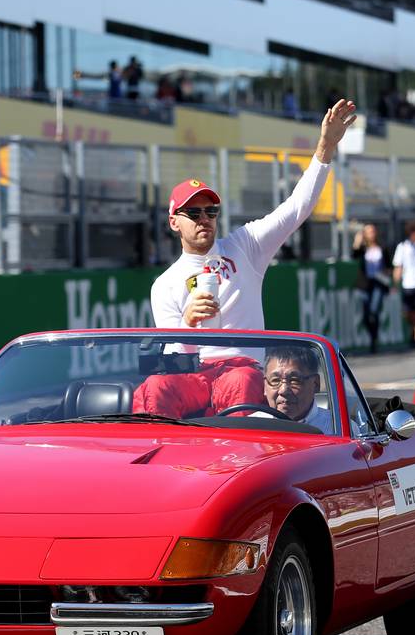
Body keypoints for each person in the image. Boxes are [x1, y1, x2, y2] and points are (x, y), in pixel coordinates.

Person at [133, 98, 358, 418]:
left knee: (242, 379)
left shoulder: (245, 246)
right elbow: (172, 360)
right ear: (174, 222)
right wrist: (188, 323)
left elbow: (296, 208)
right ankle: (153, 464)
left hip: (242, 370)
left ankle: (238, 464)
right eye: (193, 213)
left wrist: (325, 146)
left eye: (210, 211)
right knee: (153, 389)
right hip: (193, 375)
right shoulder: (165, 284)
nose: (204, 219)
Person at [262, 345, 334, 434]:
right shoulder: (250, 427)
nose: (283, 390)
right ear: (265, 386)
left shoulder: (337, 429)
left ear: (315, 384)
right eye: (275, 380)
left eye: (294, 380)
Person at [353, 223, 392, 353]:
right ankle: (372, 336)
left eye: (373, 231)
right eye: (369, 232)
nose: (371, 234)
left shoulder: (382, 247)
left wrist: (387, 275)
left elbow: (389, 266)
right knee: (366, 315)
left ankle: (374, 340)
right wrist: (358, 241)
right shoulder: (363, 248)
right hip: (365, 284)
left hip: (378, 283)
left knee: (374, 310)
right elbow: (354, 254)